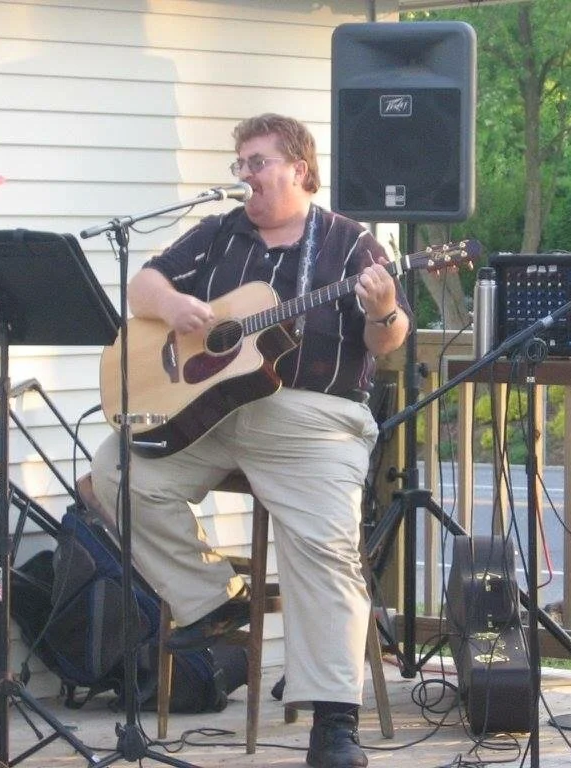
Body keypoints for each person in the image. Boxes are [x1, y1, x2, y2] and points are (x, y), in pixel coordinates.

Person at [90, 113, 410, 768]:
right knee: (116, 469)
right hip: (212, 413)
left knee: (322, 548)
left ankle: (333, 725)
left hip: (311, 419)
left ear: (298, 166)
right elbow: (143, 283)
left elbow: (388, 342)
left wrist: (382, 311)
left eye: (257, 162)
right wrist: (175, 309)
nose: (246, 176)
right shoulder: (220, 231)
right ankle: (212, 601)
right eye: (240, 164)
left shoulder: (351, 246)